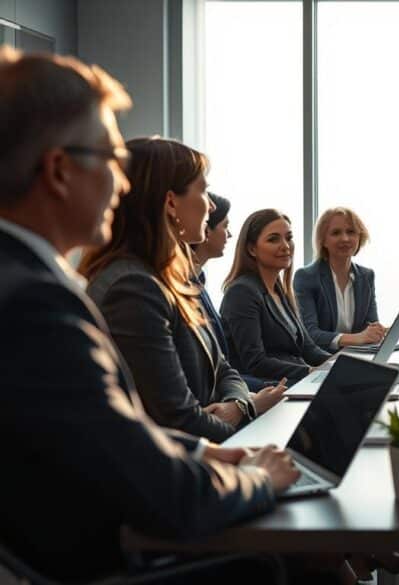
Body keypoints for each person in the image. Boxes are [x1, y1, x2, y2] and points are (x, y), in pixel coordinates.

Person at [0, 47, 298, 583]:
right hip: (111, 561)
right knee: (277, 563)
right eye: (111, 160)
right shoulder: (34, 307)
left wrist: (206, 453)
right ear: (60, 171)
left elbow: (117, 434)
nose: (122, 182)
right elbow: (167, 496)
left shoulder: (26, 282)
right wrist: (258, 477)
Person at [80, 138, 286, 442]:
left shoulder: (174, 281)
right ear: (171, 202)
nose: (212, 205)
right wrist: (248, 410)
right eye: (203, 190)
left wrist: (239, 406)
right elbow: (180, 420)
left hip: (210, 445)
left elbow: (224, 367)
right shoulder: (133, 288)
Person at [221, 208, 332, 384]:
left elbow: (308, 348)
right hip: (271, 387)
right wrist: (311, 371)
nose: (285, 246)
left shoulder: (279, 290)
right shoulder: (242, 292)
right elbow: (256, 362)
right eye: (273, 239)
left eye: (289, 238)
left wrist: (337, 363)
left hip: (296, 380)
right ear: (251, 249)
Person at [191, 191, 278, 392]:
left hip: (230, 385)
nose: (229, 234)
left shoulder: (199, 281)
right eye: (225, 226)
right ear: (206, 231)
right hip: (223, 392)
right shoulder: (242, 290)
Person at [294, 206, 385, 352]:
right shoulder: (306, 277)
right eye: (336, 233)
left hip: (358, 357)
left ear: (359, 237)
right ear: (323, 241)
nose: (345, 238)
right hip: (321, 360)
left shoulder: (367, 276)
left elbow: (371, 326)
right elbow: (310, 334)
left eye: (351, 232)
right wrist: (359, 338)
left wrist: (377, 332)